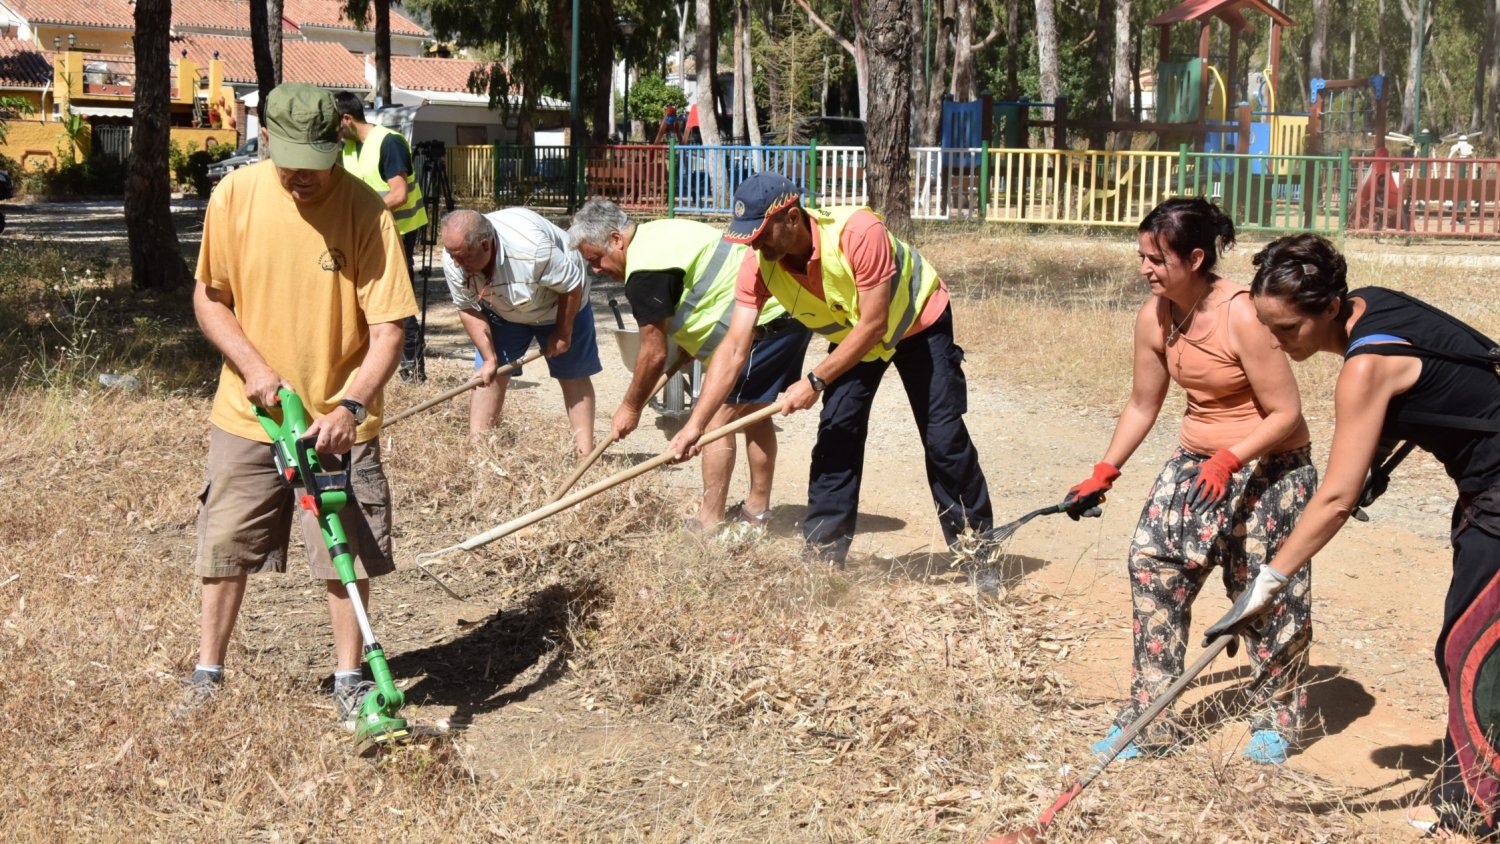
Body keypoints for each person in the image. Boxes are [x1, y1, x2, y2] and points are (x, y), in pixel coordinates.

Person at [1207, 233, 1500, 837]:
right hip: (1485, 490)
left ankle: (1476, 809)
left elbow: (1335, 498)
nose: (1280, 345)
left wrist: (1267, 582)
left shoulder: (1363, 365)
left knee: (1471, 647)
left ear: (1329, 308)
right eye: (1269, 329)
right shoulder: (1372, 305)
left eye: (1289, 330)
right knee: (1473, 642)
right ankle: (1466, 791)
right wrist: (1375, 458)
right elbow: (1435, 386)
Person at [186, 83, 418, 729]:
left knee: (344, 554)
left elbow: (391, 326)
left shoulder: (367, 211)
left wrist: (351, 405)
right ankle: (208, 673)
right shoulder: (235, 195)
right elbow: (210, 298)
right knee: (225, 545)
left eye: (318, 161)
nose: (304, 176)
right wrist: (256, 370)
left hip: (338, 423)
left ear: (338, 143)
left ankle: (350, 680)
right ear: (266, 141)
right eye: (290, 160)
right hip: (248, 413)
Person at [1066, 198, 1316, 765]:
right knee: (1153, 564)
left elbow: (1285, 412)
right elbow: (1141, 403)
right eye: (1142, 256)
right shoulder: (1155, 315)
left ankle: (1276, 717)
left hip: (1269, 464)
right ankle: (1149, 719)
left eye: (1157, 258)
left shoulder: (1244, 314)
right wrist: (1104, 470)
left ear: (1196, 257)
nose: (1145, 268)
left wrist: (1231, 458)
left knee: (1264, 590)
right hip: (1195, 463)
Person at [667, 172, 993, 566]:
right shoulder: (758, 265)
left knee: (943, 439)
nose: (754, 244)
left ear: (791, 218)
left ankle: (978, 551)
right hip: (858, 339)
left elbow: (874, 323)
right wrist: (695, 425)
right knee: (837, 435)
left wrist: (815, 380)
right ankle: (822, 559)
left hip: (917, 321)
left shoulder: (857, 232)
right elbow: (734, 347)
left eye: (761, 233)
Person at [569, 199, 811, 533]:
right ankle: (757, 512)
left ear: (615, 239)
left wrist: (630, 406)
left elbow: (652, 354)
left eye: (595, 259)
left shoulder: (644, 270)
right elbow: (701, 287)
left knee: (712, 421)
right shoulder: (660, 232)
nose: (596, 270)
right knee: (754, 414)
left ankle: (708, 523)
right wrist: (687, 346)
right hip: (784, 316)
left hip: (762, 328)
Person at [441, 208, 600, 456]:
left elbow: (571, 285)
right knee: (488, 376)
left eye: (462, 256)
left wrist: (563, 331)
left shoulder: (532, 249)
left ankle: (585, 458)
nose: (455, 263)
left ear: (485, 244)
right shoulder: (455, 255)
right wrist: (490, 358)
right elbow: (466, 307)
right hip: (501, 307)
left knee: (573, 375)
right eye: (452, 255)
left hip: (560, 302)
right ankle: (479, 455)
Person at [334, 91, 429, 382]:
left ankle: (411, 369)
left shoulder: (389, 142)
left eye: (333, 123)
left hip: (398, 232)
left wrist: (361, 212)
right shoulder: (350, 147)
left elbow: (398, 194)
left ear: (347, 119)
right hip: (368, 231)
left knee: (397, 300)